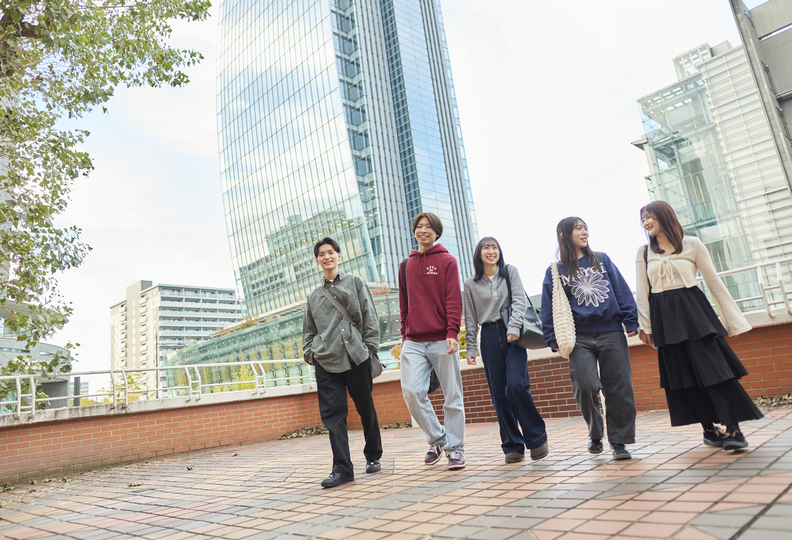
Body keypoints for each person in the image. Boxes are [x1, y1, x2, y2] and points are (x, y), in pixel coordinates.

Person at [636, 201, 762, 450]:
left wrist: (733, 321)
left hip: (693, 312)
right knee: (683, 376)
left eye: (650, 216)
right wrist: (646, 327)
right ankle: (709, 429)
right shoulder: (643, 252)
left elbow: (714, 282)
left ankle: (734, 429)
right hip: (663, 317)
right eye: (643, 219)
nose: (646, 222)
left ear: (664, 216)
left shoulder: (692, 243)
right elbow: (642, 292)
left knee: (715, 371)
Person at [541, 217, 639, 460]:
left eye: (585, 228)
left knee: (619, 388)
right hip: (579, 338)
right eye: (578, 228)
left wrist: (631, 320)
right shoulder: (556, 270)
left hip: (611, 331)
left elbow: (621, 289)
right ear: (564, 235)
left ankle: (619, 442)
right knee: (585, 386)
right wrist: (551, 337)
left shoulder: (601, 260)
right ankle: (595, 431)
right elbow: (548, 306)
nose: (584, 232)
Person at [303, 237, 383, 488]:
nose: (327, 257)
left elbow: (370, 316)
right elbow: (308, 331)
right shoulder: (313, 296)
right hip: (326, 361)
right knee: (333, 416)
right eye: (322, 254)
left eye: (331, 252)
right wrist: (311, 354)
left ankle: (373, 455)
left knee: (365, 408)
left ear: (339, 256)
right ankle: (342, 469)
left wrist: (369, 348)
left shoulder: (355, 282)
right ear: (317, 261)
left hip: (356, 356)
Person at [464, 237, 549, 463]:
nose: (491, 252)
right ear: (479, 254)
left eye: (495, 248)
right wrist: (470, 348)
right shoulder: (470, 283)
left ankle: (537, 437)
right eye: (486, 248)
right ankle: (512, 444)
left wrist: (513, 327)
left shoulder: (509, 272)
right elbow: (471, 318)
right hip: (489, 336)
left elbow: (519, 300)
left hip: (514, 334)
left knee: (516, 385)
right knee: (499, 395)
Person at [399, 212, 466, 470]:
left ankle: (456, 449)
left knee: (452, 395)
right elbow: (404, 305)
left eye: (428, 227)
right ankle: (438, 439)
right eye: (419, 226)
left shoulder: (447, 261)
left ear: (437, 232)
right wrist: (405, 335)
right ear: (414, 231)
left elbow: (453, 299)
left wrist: (452, 332)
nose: (423, 230)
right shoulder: (406, 265)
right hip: (413, 340)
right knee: (412, 392)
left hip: (441, 337)